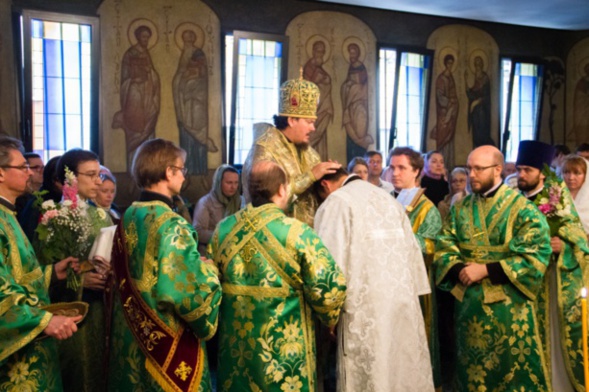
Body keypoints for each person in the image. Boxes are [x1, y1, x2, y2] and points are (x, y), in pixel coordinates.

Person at [208, 160, 346, 391]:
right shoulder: (298, 233)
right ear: (282, 189)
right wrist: (330, 320)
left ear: (249, 190)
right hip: (284, 356)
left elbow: (210, 283)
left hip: (235, 351)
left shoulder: (223, 229)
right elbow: (329, 290)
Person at [435, 145, 552, 391]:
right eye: (469, 168)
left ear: (498, 169)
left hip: (508, 309)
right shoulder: (461, 207)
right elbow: (444, 244)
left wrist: (486, 270)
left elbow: (536, 254)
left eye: (479, 168)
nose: (472, 175)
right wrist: (459, 269)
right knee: (471, 373)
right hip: (468, 305)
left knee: (507, 374)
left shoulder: (523, 210)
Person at [108, 138, 221, 391]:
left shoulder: (129, 215)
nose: (184, 177)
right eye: (182, 170)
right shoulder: (171, 224)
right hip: (168, 340)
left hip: (133, 334)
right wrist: (209, 270)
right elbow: (186, 291)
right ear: (169, 172)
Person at [314, 168, 434, 392]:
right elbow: (413, 256)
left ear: (325, 185)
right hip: (402, 304)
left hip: (364, 309)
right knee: (401, 369)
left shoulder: (337, 202)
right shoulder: (387, 198)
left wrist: (329, 314)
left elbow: (329, 265)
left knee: (372, 374)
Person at [0, 136, 81, 391]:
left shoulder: (8, 214)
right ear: (1, 174)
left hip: (33, 340)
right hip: (17, 352)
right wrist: (43, 321)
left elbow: (17, 274)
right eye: (23, 167)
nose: (30, 173)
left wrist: (51, 273)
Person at [36, 149, 114, 392]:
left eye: (99, 174)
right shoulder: (52, 219)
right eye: (90, 175)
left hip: (100, 310)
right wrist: (80, 280)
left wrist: (110, 272)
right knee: (76, 374)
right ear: (70, 178)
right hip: (70, 314)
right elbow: (42, 275)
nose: (98, 182)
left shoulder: (102, 216)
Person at [516, 140, 589, 391]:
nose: (521, 175)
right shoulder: (513, 199)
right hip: (520, 281)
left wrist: (564, 246)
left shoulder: (557, 199)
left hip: (549, 280)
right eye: (519, 169)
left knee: (552, 339)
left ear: (542, 172)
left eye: (528, 170)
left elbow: (580, 240)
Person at [242, 74, 341, 228]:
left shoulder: (310, 153)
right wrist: (310, 176)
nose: (313, 128)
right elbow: (261, 203)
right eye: (309, 122)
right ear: (292, 120)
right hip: (274, 237)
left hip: (306, 237)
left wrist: (333, 179)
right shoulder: (264, 150)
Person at [387, 146, 442, 388]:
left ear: (417, 171)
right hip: (388, 283)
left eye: (401, 168)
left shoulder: (427, 208)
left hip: (415, 287)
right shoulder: (386, 200)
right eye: (392, 167)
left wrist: (396, 236)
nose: (394, 173)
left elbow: (431, 248)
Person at [112, 25, 161, 171]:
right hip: (134, 97)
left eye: (148, 37)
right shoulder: (129, 53)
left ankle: (149, 172)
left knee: (148, 134)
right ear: (138, 37)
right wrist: (134, 79)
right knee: (135, 131)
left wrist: (150, 73)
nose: (145, 40)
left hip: (147, 96)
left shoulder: (146, 53)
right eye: (143, 37)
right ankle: (134, 174)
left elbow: (153, 75)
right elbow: (124, 79)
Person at [173, 29, 217, 175]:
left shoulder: (199, 54)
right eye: (186, 38)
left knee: (200, 139)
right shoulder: (184, 56)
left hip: (198, 105)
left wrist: (192, 79)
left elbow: (203, 79)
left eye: (190, 37)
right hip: (186, 105)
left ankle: (202, 172)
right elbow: (179, 78)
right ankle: (188, 173)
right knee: (187, 139)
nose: (188, 40)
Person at [193, 164, 242, 255]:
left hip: (234, 250)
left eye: (236, 183)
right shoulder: (205, 202)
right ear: (219, 183)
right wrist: (224, 236)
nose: (233, 187)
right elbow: (197, 232)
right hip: (210, 251)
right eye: (229, 183)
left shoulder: (240, 201)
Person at [18, 155, 62, 242]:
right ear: (56, 180)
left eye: (43, 167)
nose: (41, 171)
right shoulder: (40, 203)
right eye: (36, 167)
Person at [341, 42, 372, 160]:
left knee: (358, 134)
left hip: (358, 104)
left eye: (353, 53)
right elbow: (347, 84)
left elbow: (360, 86)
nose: (351, 56)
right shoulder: (351, 66)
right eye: (350, 53)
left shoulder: (360, 67)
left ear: (358, 54)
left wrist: (351, 86)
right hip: (351, 105)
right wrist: (347, 86)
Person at [303, 39, 334, 161]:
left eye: (323, 52)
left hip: (323, 109)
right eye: (318, 51)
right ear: (313, 51)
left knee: (321, 138)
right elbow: (308, 87)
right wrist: (321, 81)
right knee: (313, 136)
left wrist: (325, 81)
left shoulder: (319, 67)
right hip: (314, 110)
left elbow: (326, 82)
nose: (320, 54)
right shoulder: (309, 67)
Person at [431, 54, 459, 168]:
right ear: (445, 63)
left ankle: (448, 165)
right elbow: (440, 97)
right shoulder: (441, 79)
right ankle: (442, 166)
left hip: (451, 113)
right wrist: (450, 102)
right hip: (443, 114)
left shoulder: (451, 77)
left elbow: (454, 95)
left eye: (452, 64)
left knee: (450, 140)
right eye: (449, 63)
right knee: (443, 139)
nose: (450, 66)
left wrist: (454, 102)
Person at [464, 56, 494, 147]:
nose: (477, 65)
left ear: (481, 64)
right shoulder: (476, 78)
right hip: (475, 114)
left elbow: (486, 96)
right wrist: (465, 80)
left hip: (482, 113)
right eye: (475, 63)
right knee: (475, 136)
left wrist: (476, 102)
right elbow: (471, 94)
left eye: (479, 63)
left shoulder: (485, 78)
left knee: (481, 136)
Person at [562, 154, 589, 235]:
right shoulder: (555, 195)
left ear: (586, 175)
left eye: (577, 173)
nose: (571, 177)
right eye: (566, 172)